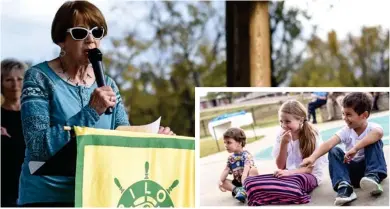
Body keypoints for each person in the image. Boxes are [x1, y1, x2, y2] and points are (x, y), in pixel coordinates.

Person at [18, 1, 174, 207]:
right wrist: (91, 111)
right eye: (80, 33)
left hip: (96, 193)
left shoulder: (108, 83)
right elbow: (37, 147)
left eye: (97, 31)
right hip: (48, 196)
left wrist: (152, 139)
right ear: (61, 41)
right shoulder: (38, 78)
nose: (91, 40)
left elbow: (121, 134)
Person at [300, 92, 387, 206]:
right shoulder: (346, 130)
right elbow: (329, 144)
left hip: (371, 169)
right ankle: (345, 187)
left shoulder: (373, 128)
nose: (344, 118)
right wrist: (312, 157)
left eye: (348, 114)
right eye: (343, 114)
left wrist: (355, 148)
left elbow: (378, 133)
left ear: (364, 115)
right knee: (334, 150)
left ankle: (373, 177)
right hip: (354, 175)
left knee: (373, 141)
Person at [244, 100, 327, 206]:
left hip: (308, 176)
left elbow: (308, 169)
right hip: (288, 175)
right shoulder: (281, 134)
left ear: (300, 120)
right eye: (281, 121)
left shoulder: (311, 135)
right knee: (249, 182)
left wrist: (289, 173)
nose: (283, 125)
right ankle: (281, 193)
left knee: (295, 183)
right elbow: (280, 166)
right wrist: (284, 143)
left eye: (287, 121)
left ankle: (280, 193)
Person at [1, 59, 27, 207]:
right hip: (4, 192)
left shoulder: (35, 116)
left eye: (20, 79)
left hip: (32, 188)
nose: (15, 85)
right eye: (9, 80)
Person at [218, 127, 259, 203]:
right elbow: (226, 170)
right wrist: (220, 181)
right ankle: (238, 191)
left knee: (253, 170)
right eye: (225, 142)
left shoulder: (246, 155)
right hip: (238, 184)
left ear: (239, 143)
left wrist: (244, 183)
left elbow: (246, 170)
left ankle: (249, 190)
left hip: (248, 181)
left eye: (229, 142)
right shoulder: (231, 158)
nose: (226, 145)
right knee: (223, 181)